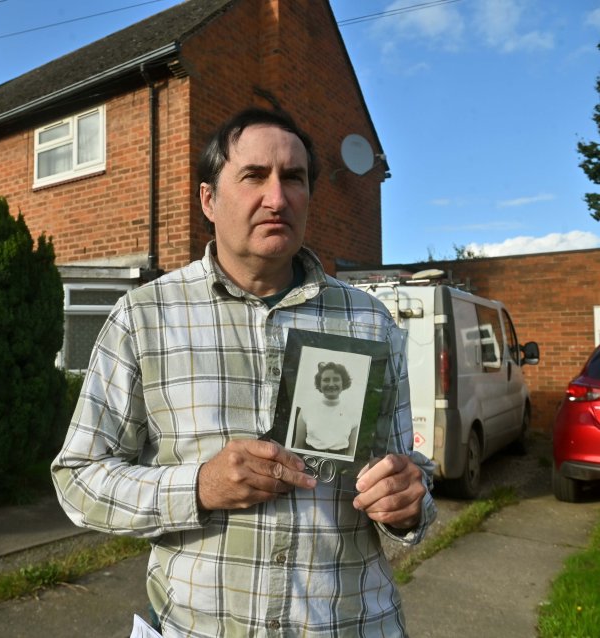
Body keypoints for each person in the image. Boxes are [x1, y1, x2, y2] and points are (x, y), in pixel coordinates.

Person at [52, 107, 435, 637]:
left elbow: (408, 472)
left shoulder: (369, 321)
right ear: (208, 199)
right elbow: (79, 479)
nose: (276, 198)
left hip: (352, 625)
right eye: (254, 176)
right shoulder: (144, 317)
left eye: (293, 178)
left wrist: (408, 504)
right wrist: (200, 486)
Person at [292, 361, 358, 456]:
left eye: (336, 379)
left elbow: (351, 452)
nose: (331, 384)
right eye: (326, 380)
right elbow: (298, 446)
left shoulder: (354, 412)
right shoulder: (306, 409)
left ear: (343, 382)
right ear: (319, 383)